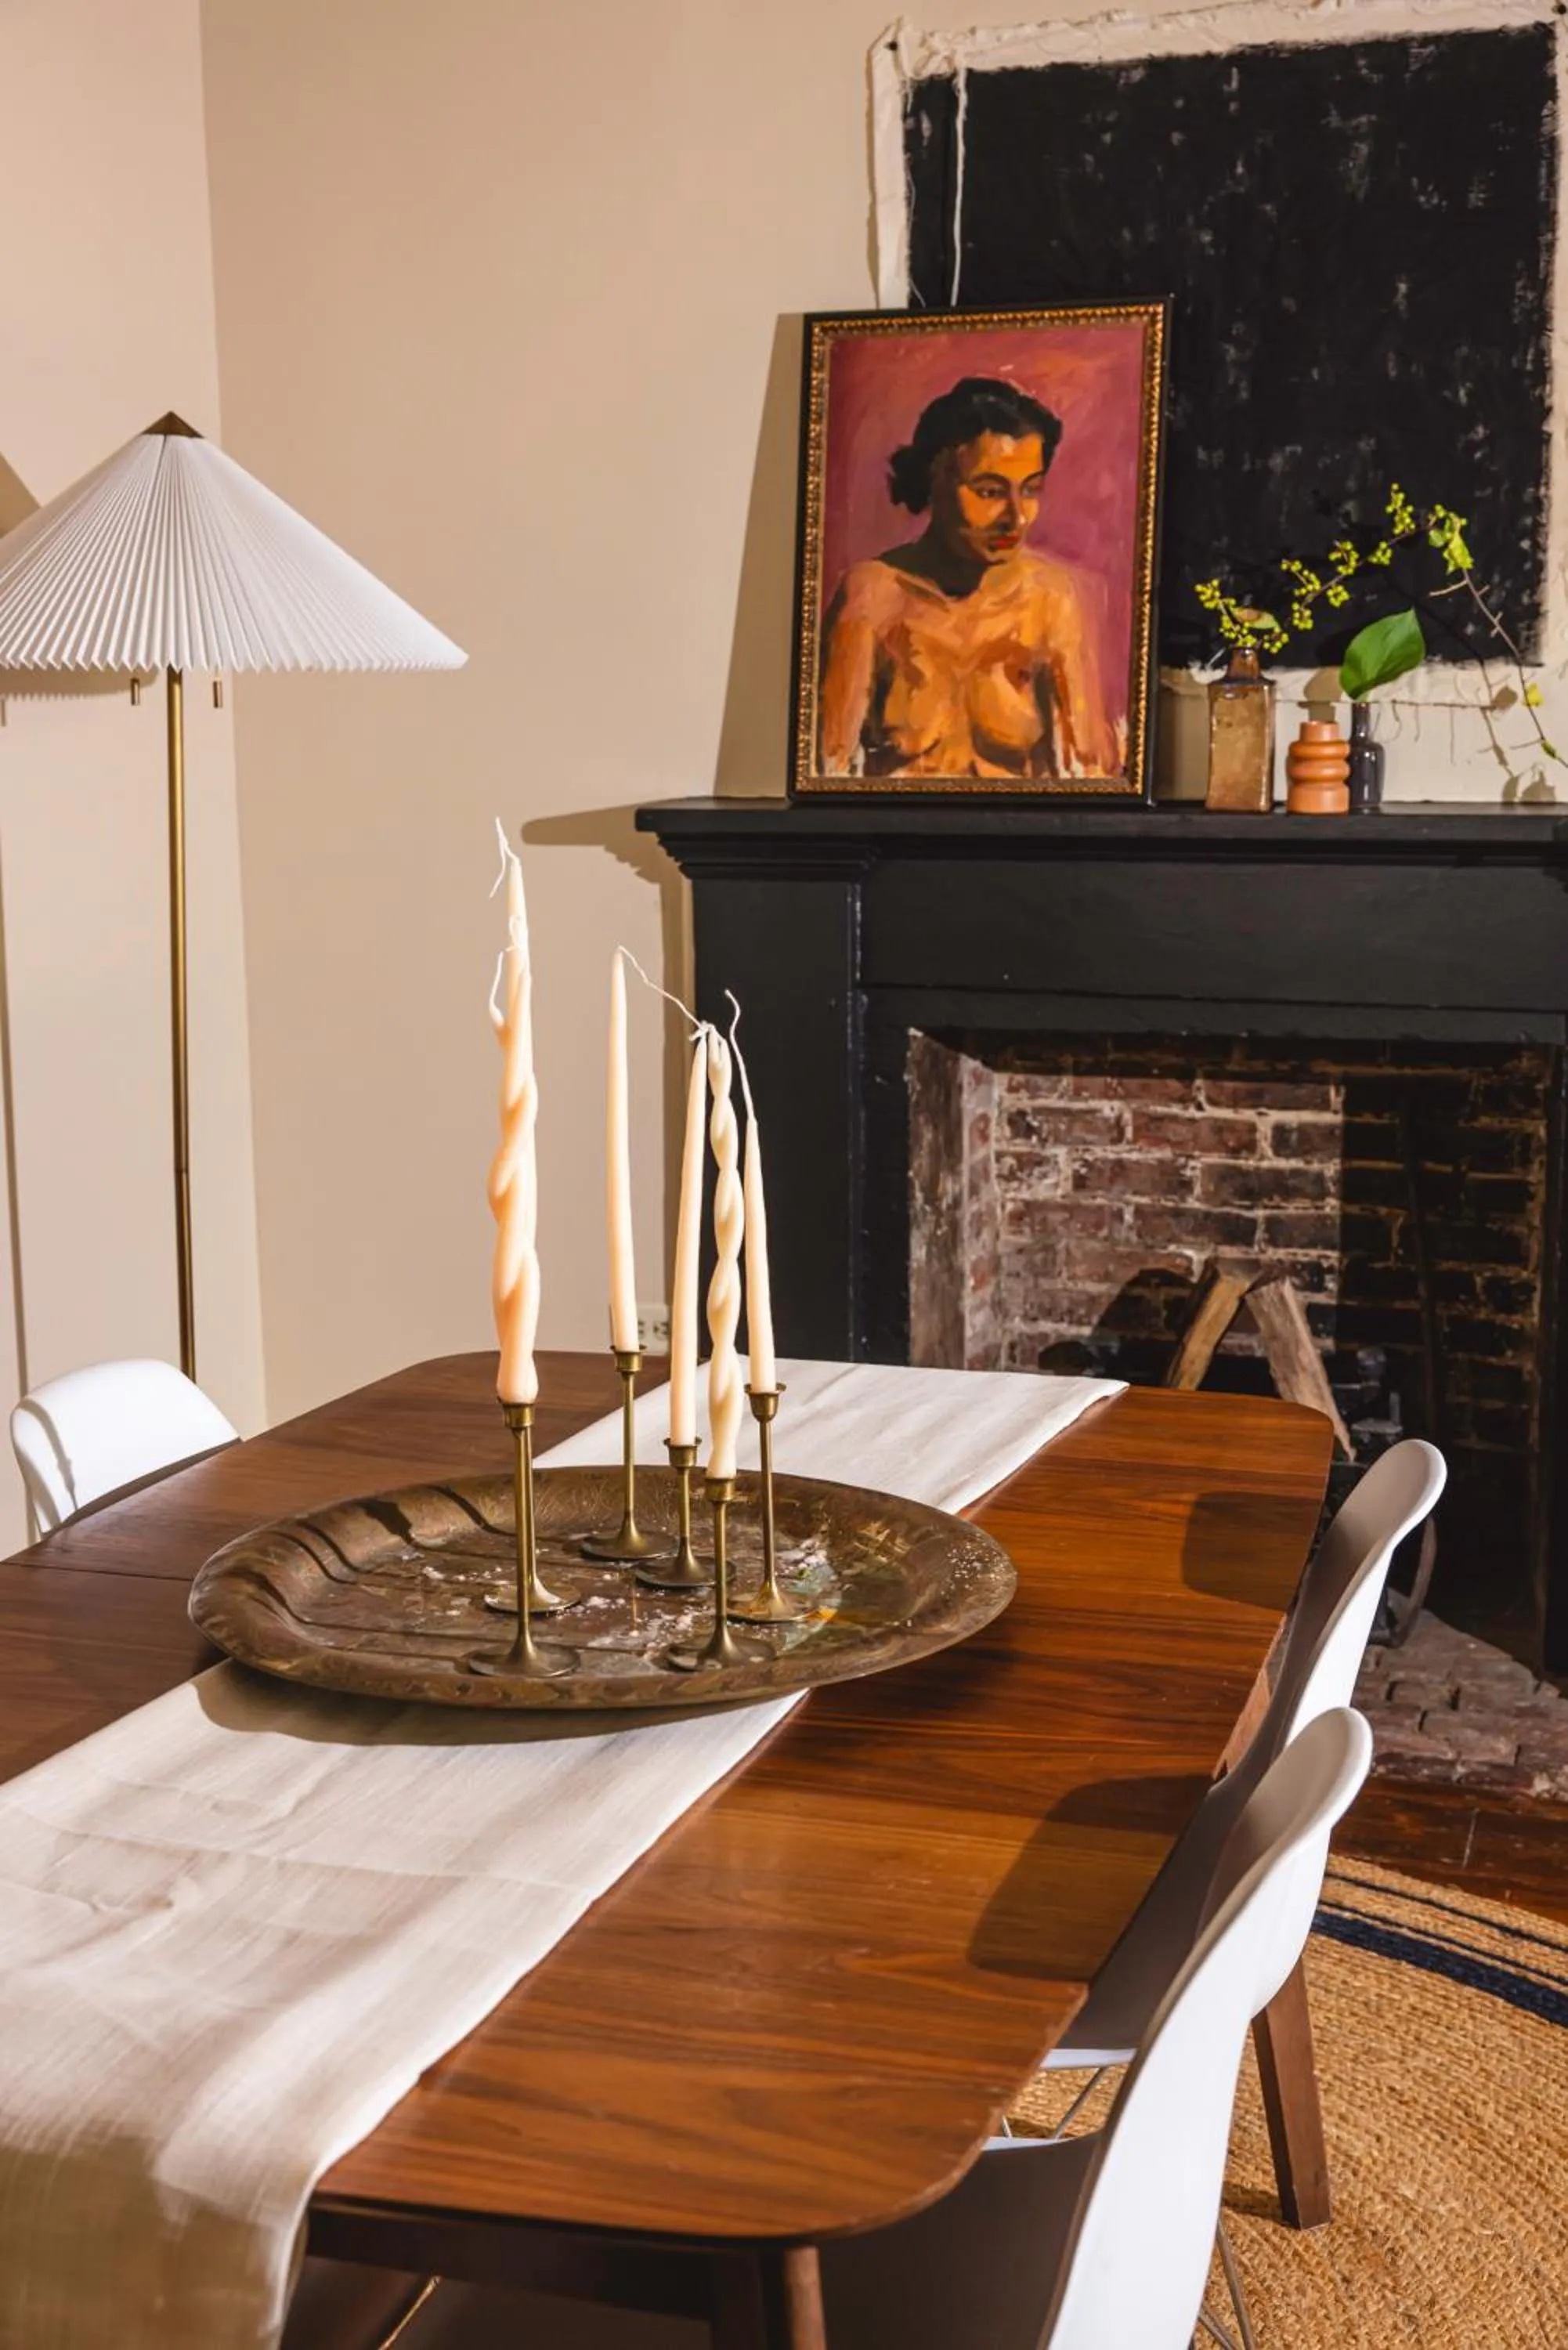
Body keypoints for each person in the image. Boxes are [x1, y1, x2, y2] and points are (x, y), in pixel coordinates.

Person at [818, 375, 1118, 781]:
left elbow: (1088, 774)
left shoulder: (1051, 600)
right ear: (935, 479)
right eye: (990, 491)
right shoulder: (872, 595)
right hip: (896, 840)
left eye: (1031, 489)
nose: (1016, 517)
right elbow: (827, 771)